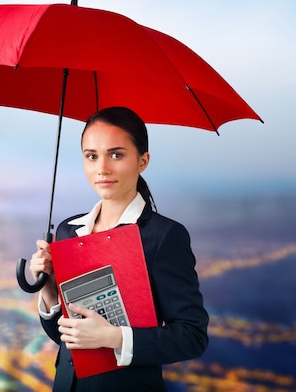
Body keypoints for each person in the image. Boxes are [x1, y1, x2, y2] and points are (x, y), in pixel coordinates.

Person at [29, 106, 209, 391]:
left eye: (116, 154)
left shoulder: (163, 236)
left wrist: (114, 337)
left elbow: (191, 336)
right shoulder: (68, 231)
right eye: (91, 156)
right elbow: (67, 339)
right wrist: (49, 289)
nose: (102, 168)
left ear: (143, 161)